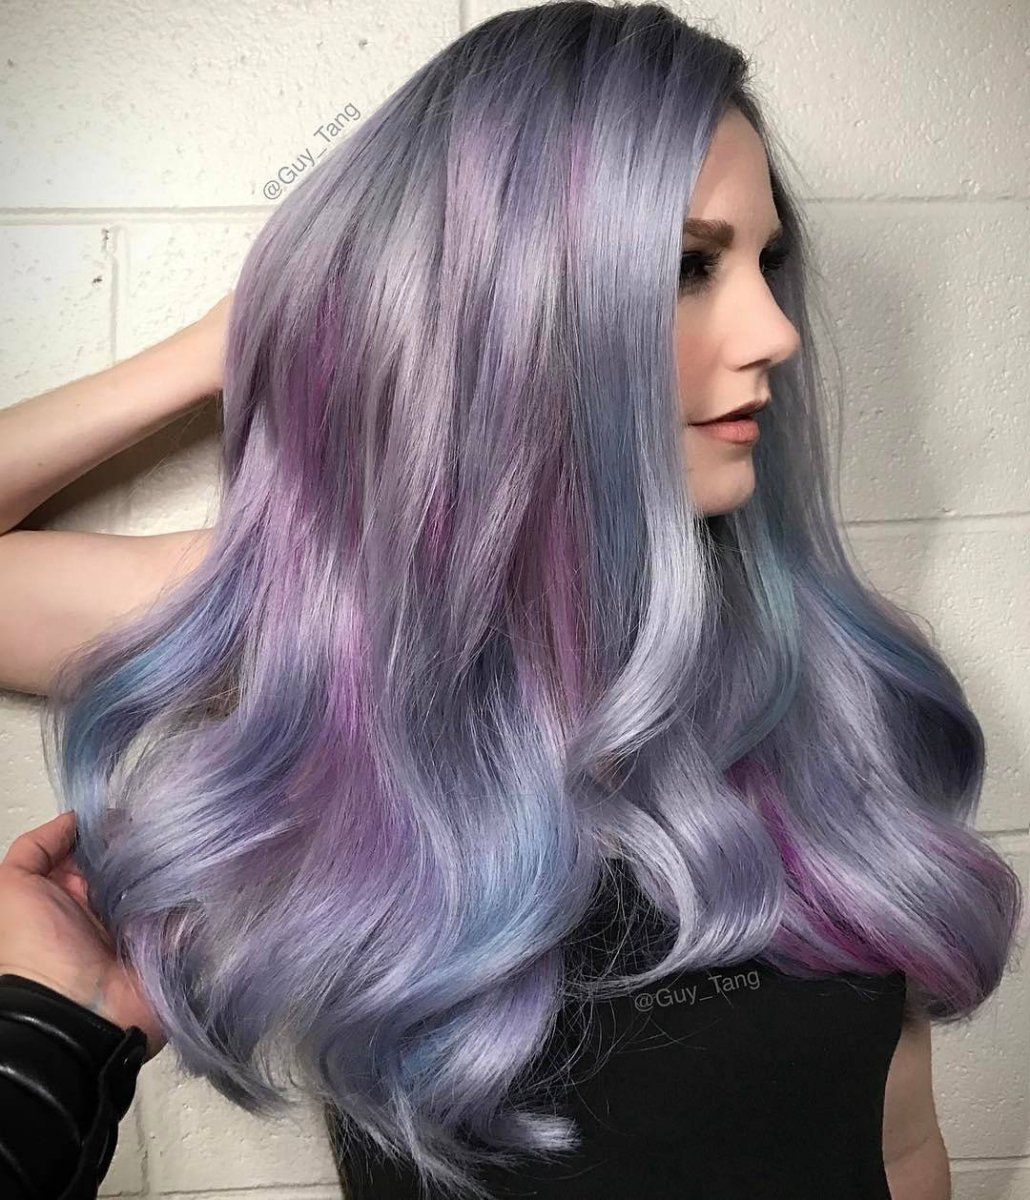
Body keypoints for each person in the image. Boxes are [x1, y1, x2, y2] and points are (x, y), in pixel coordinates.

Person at [0, 3, 1019, 1198]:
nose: (775, 332)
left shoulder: (831, 675)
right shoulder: (324, 629)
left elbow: (900, 1145)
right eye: (688, 266)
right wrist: (248, 333)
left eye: (765, 262)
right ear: (497, 306)